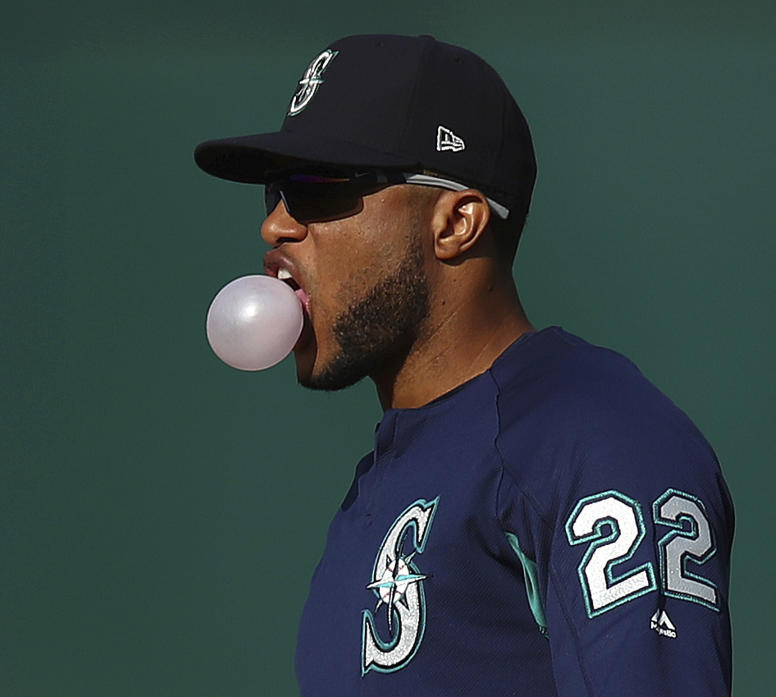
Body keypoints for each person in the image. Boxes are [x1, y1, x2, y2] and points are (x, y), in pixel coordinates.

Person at [194, 34, 733, 697]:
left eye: (318, 186)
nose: (275, 226)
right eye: (276, 190)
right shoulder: (387, 478)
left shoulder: (594, 437)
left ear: (457, 222)